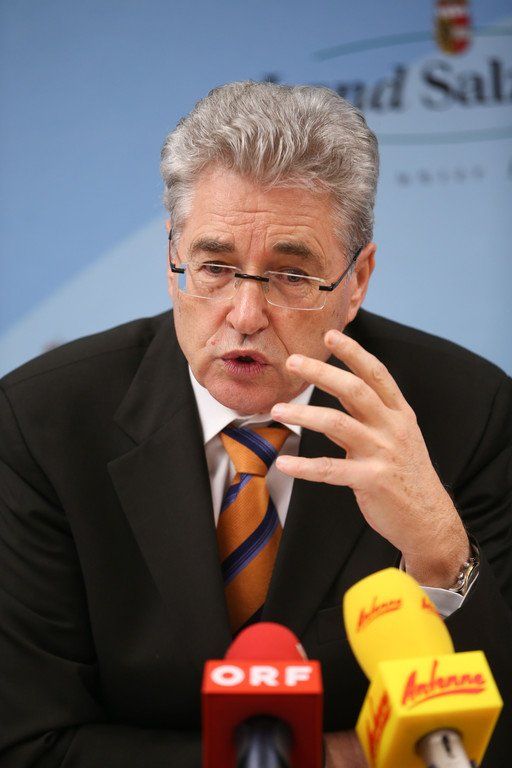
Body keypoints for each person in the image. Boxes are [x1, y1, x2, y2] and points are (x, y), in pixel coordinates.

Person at [0, 81, 510, 768]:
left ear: (358, 279)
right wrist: (324, 759)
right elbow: (29, 743)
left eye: (291, 277)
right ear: (172, 260)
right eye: (214, 268)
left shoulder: (467, 413)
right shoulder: (43, 423)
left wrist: (442, 551)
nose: (244, 315)